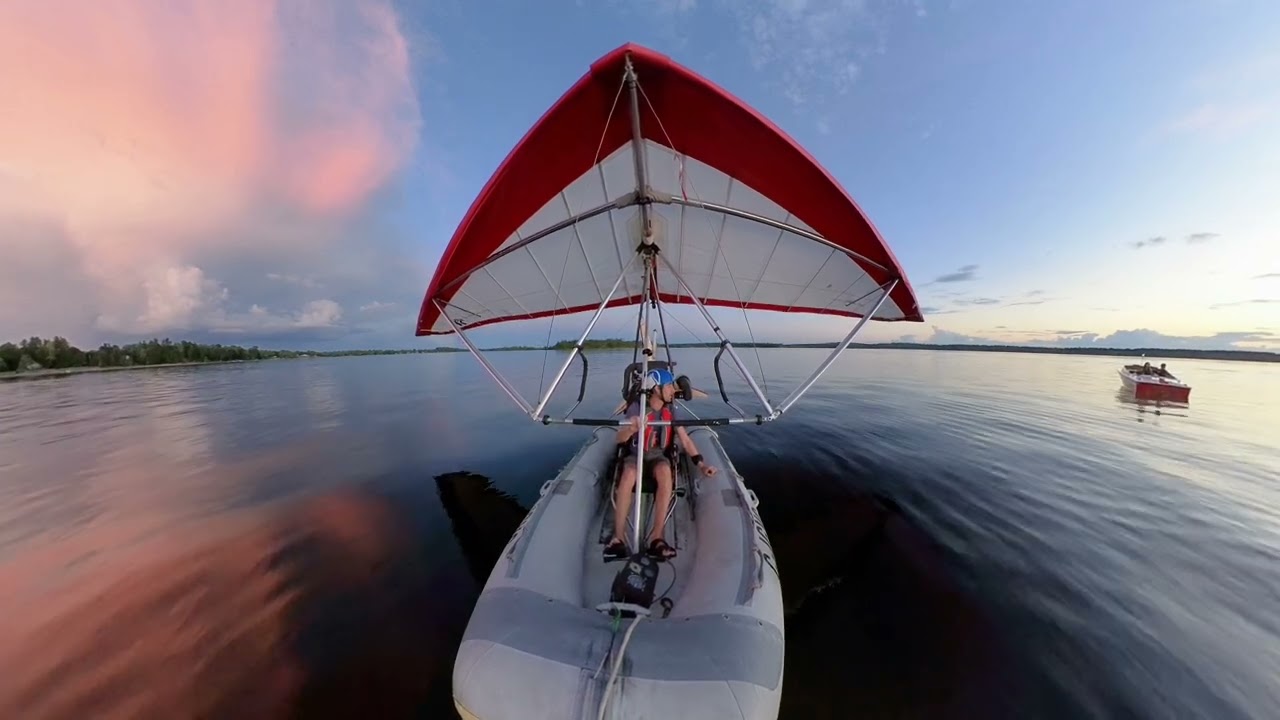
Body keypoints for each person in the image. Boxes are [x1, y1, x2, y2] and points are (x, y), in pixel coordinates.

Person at [604, 368, 716, 561]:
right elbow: (619, 438)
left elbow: (685, 440)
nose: (674, 390)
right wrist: (631, 428)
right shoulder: (636, 408)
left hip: (657, 456)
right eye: (669, 386)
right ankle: (618, 538)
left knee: (665, 472)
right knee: (628, 474)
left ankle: (657, 538)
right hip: (635, 455)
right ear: (656, 389)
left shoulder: (671, 410)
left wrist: (701, 464)